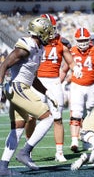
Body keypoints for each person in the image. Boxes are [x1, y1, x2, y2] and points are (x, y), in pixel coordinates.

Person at [0, 17, 57, 175]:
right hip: (17, 88)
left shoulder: (39, 49)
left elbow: (32, 77)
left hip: (20, 87)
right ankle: (25, 152)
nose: (50, 35)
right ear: (40, 32)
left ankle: (3, 167)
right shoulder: (26, 47)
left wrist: (47, 92)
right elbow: (4, 65)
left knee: (17, 129)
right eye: (48, 32)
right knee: (48, 118)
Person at [24, 13, 83, 163]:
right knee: (31, 117)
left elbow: (70, 61)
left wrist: (75, 68)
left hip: (54, 82)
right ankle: (27, 149)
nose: (51, 33)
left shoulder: (60, 43)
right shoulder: (33, 43)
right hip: (37, 82)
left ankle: (59, 151)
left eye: (52, 29)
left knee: (57, 118)